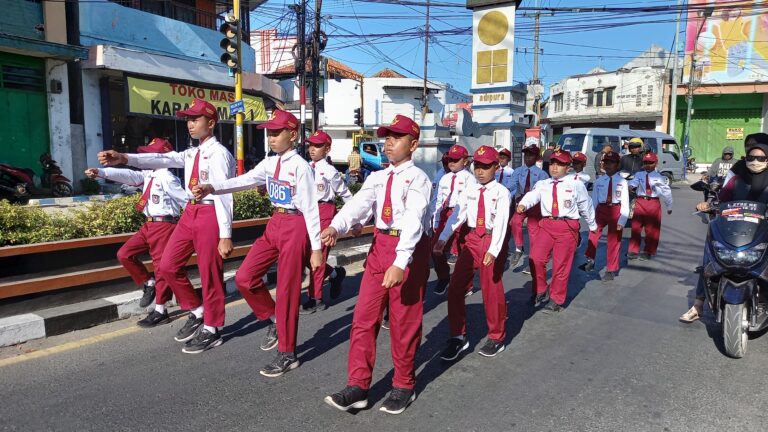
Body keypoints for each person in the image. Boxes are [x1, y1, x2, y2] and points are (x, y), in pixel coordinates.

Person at [98, 98, 235, 354]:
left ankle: (213, 328)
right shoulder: (192, 152)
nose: (190, 125)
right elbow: (162, 159)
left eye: (196, 119)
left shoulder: (219, 154)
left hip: (208, 213)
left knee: (210, 274)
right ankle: (196, 309)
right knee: (169, 266)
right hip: (190, 213)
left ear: (211, 123)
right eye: (188, 120)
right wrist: (123, 157)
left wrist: (225, 234)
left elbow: (224, 193)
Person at [193, 109, 323, 376]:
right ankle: (274, 318)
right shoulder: (269, 163)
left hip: (295, 225)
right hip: (275, 222)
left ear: (293, 134)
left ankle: (288, 352)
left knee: (287, 291)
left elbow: (311, 209)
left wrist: (317, 249)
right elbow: (244, 180)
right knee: (244, 277)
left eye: (277, 133)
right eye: (270, 133)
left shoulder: (300, 167)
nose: (271, 137)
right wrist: (212, 188)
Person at [321, 114, 431, 415]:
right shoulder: (378, 177)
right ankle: (358, 386)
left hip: (406, 249)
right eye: (387, 136)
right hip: (379, 247)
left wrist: (400, 261)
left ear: (413, 144)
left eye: (397, 137)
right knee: (363, 319)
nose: (389, 142)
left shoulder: (418, 178)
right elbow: (358, 206)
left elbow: (412, 220)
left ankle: (404, 385)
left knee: (402, 321)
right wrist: (336, 226)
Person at [86, 138, 188, 326]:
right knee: (124, 254)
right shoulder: (149, 174)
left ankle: (160, 309)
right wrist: (101, 172)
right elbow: (127, 175)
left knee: (160, 267)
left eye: (151, 154)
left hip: (164, 225)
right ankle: (148, 283)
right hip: (148, 225)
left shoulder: (167, 177)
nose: (146, 157)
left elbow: (186, 202)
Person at [434, 145, 510, 360]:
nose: (480, 171)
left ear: (496, 166)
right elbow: (457, 215)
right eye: (478, 166)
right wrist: (443, 238)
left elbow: (502, 224)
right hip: (472, 240)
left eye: (486, 166)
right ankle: (458, 336)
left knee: (491, 290)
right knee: (456, 288)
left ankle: (496, 336)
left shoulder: (501, 193)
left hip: (490, 239)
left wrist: (494, 250)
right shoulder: (470, 190)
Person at [681, 139, 768, 323]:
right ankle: (698, 304)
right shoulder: (737, 177)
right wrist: (709, 204)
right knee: (709, 257)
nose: (755, 161)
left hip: (763, 230)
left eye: (761, 158)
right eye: (751, 157)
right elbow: (722, 198)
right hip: (734, 229)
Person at [517, 150, 597, 312]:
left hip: (567, 226)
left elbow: (585, 205)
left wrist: (592, 224)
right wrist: (524, 204)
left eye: (560, 164)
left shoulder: (576, 184)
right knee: (535, 258)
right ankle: (540, 288)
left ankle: (556, 298)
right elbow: (533, 195)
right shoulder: (543, 184)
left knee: (561, 264)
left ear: (568, 167)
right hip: (546, 225)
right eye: (552, 163)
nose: (554, 168)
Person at [301, 130, 353, 314]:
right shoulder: (306, 166)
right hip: (307, 212)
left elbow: (346, 195)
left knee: (319, 254)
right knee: (306, 254)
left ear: (327, 148)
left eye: (317, 145)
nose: (312, 149)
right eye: (310, 145)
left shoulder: (329, 171)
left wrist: (355, 219)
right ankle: (334, 274)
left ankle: (315, 298)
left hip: (324, 211)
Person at [579, 150, 629, 282]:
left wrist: (622, 220)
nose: (608, 165)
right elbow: (594, 200)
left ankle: (611, 269)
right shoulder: (599, 181)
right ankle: (590, 260)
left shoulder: (622, 182)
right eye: (606, 162)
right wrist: (591, 216)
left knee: (614, 240)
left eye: (611, 162)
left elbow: (625, 202)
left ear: (617, 164)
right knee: (593, 234)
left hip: (616, 210)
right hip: (601, 210)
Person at [432, 144, 475, 295]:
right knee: (436, 249)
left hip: (462, 216)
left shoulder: (470, 179)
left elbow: (470, 202)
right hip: (445, 214)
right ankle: (443, 277)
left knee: (464, 252)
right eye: (450, 159)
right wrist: (436, 220)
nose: (452, 163)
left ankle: (466, 284)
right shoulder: (444, 178)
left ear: (465, 161)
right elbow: (438, 200)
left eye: (456, 160)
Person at [627, 153, 673, 260]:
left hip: (653, 203)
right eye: (645, 163)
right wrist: (630, 186)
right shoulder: (639, 174)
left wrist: (669, 206)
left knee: (651, 229)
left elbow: (666, 192)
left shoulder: (660, 177)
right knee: (635, 227)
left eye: (650, 163)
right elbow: (634, 182)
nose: (648, 165)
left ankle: (648, 251)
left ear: (656, 163)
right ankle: (633, 250)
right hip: (640, 202)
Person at [508, 145, 549, 267]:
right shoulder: (518, 171)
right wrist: (502, 190)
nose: (527, 157)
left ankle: (533, 258)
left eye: (530, 155)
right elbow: (512, 185)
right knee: (514, 221)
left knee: (533, 230)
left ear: (536, 157)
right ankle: (519, 248)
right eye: (526, 155)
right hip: (521, 202)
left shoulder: (542, 174)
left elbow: (544, 192)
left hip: (535, 205)